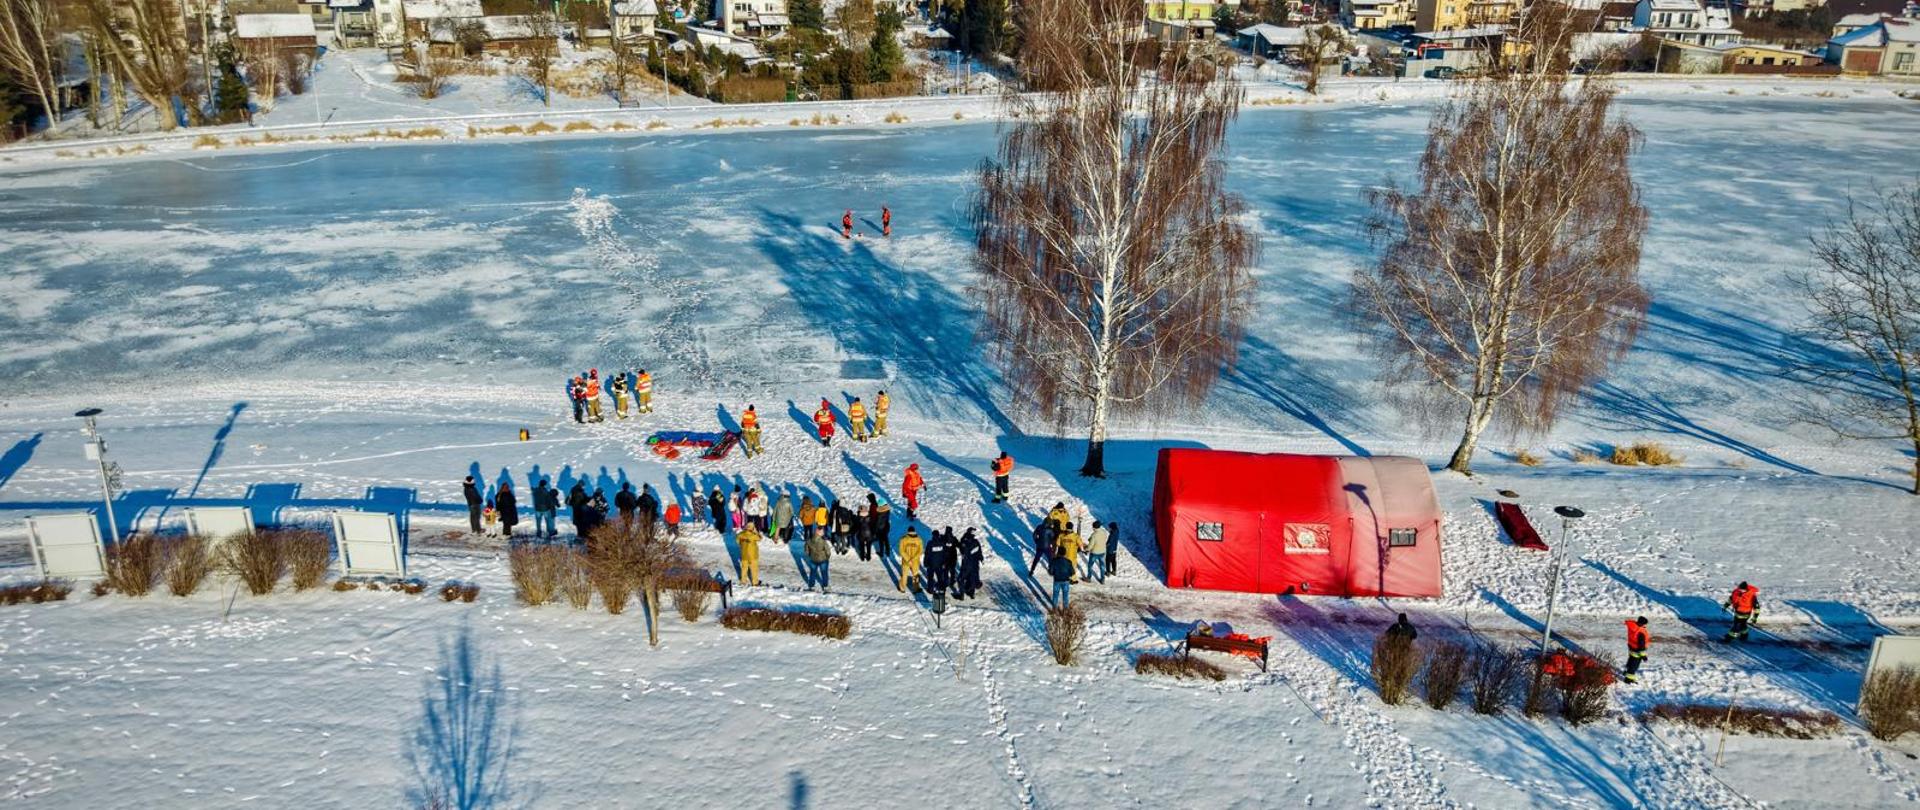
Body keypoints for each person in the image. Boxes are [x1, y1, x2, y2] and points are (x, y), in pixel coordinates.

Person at [925, 527, 956, 597]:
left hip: (931, 564)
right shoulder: (942, 543)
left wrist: (926, 562)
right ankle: (942, 588)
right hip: (939, 564)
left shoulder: (930, 543)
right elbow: (945, 554)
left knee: (930, 577)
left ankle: (930, 589)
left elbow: (927, 554)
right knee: (940, 577)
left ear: (933, 536)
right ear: (938, 535)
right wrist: (944, 562)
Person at [804, 522, 833, 592]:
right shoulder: (823, 541)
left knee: (812, 572)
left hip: (813, 559)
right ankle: (825, 586)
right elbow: (828, 551)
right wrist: (827, 557)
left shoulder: (809, 540)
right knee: (824, 573)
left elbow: (806, 550)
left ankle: (811, 586)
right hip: (823, 559)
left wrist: (809, 555)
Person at [956, 528, 983, 600]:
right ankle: (972, 594)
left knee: (960, 579)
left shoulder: (965, 542)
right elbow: (979, 552)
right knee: (972, 578)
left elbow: (961, 548)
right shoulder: (976, 542)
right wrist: (981, 559)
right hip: (975, 565)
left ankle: (961, 595)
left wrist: (965, 536)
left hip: (966, 565)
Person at [897, 524, 924, 592]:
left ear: (908, 532)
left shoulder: (903, 539)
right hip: (915, 561)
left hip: (906, 561)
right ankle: (916, 588)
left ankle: (902, 588)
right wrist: (913, 558)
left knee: (905, 574)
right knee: (915, 574)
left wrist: (908, 559)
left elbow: (901, 551)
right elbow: (920, 551)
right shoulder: (919, 540)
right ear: (914, 531)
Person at [1623, 616, 1650, 684]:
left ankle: (1626, 671)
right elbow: (1641, 646)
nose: (1645, 625)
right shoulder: (1640, 632)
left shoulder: (1633, 626)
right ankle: (1628, 679)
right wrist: (1643, 656)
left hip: (1631, 647)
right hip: (1637, 651)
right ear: (1642, 623)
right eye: (1644, 624)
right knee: (1634, 665)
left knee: (1630, 661)